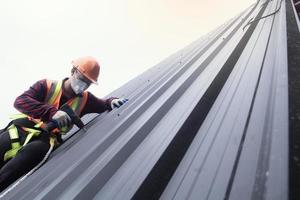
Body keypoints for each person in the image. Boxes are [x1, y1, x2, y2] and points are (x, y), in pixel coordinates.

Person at [0, 56, 128, 192]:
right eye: (82, 79)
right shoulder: (46, 85)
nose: (83, 84)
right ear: (73, 71)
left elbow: (104, 104)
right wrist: (51, 112)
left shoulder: (86, 100)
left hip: (45, 140)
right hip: (20, 129)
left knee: (31, 155)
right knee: (4, 142)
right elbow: (20, 101)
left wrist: (112, 101)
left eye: (88, 83)